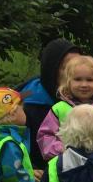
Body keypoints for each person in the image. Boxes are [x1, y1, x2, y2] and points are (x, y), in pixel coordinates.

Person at [36, 55, 93, 162]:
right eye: (78, 79)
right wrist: (62, 150)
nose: (84, 84)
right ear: (68, 82)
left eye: (89, 80)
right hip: (67, 168)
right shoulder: (59, 109)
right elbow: (45, 137)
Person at [19, 38, 82, 169]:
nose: (74, 72)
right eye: (67, 68)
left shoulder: (88, 91)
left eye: (78, 66)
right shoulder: (29, 102)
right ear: (52, 70)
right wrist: (29, 169)